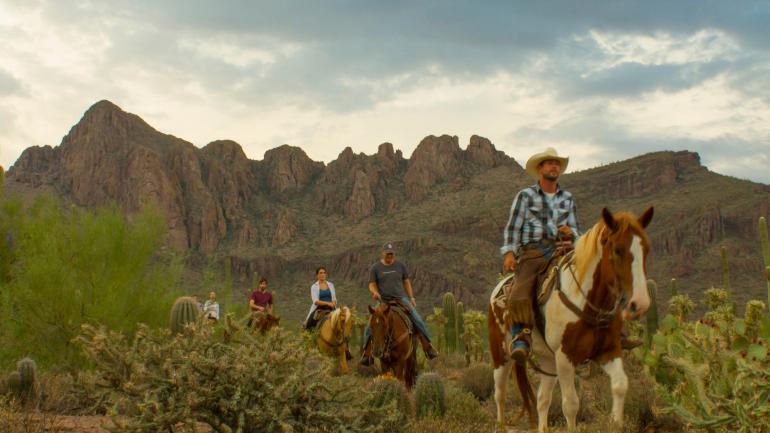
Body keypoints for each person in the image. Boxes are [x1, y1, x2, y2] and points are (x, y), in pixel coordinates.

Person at [501, 147, 579, 364]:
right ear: (540, 168)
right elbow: (513, 227)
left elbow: (575, 229)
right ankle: (520, 335)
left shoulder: (567, 198)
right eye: (549, 163)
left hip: (562, 249)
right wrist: (509, 252)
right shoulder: (525, 196)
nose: (554, 166)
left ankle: (607, 327)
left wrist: (571, 233)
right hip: (533, 252)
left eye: (557, 163)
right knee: (522, 286)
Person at [360, 242, 438, 366]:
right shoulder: (376, 267)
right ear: (383, 253)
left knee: (417, 319)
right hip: (384, 301)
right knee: (371, 324)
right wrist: (374, 292)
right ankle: (367, 354)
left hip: (401, 299)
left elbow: (406, 282)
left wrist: (411, 297)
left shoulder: (400, 265)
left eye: (391, 254)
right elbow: (372, 284)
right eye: (387, 254)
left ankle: (428, 347)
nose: (390, 256)